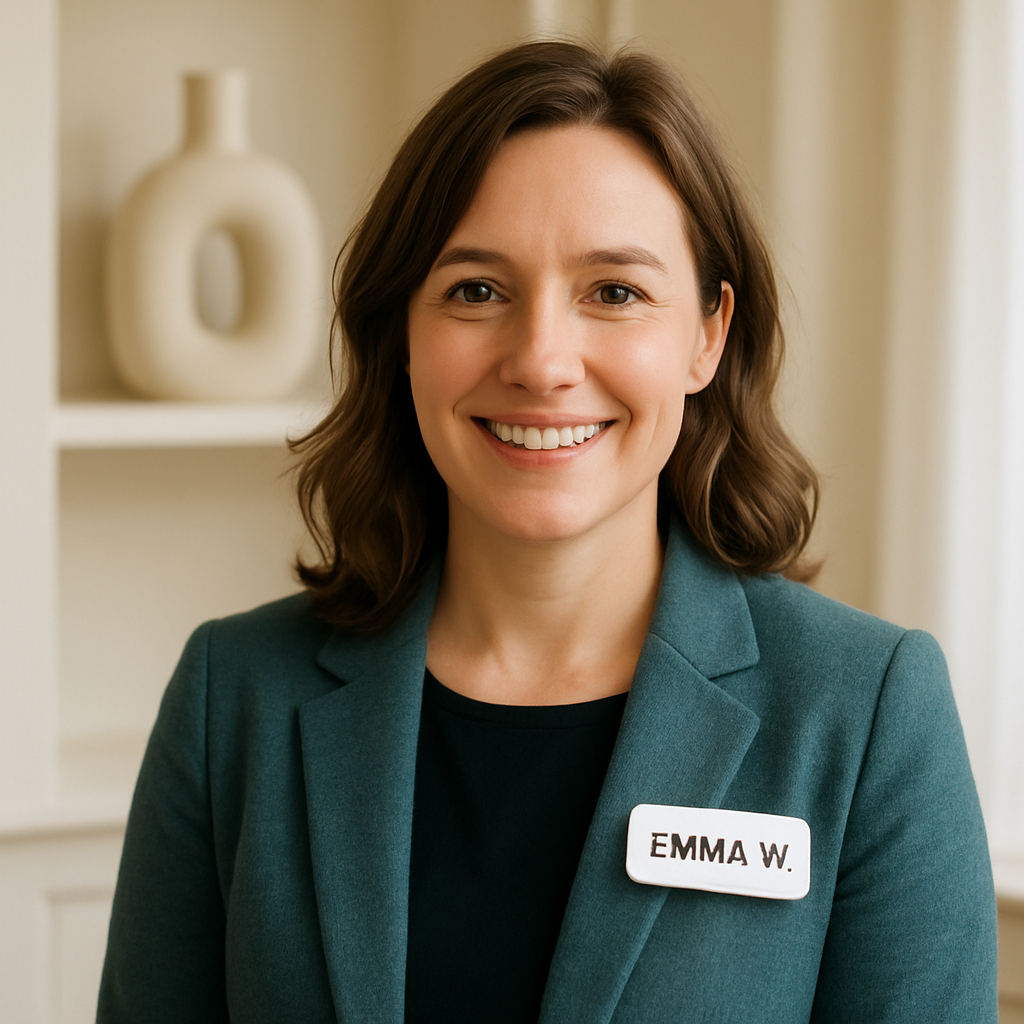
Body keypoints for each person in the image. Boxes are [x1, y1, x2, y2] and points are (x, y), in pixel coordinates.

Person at [97, 40, 998, 1023]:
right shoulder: (234, 697)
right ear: (403, 330)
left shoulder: (867, 716)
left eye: (614, 292)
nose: (540, 359)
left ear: (706, 334)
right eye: (476, 290)